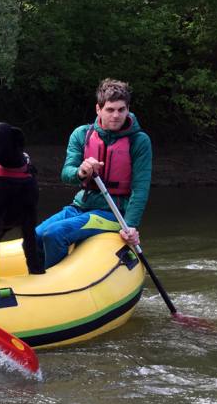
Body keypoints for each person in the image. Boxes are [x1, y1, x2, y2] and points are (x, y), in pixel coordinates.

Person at [35, 79, 152, 269]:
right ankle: (41, 279)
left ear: (128, 109)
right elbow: (67, 174)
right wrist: (81, 172)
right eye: (110, 110)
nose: (116, 115)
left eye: (121, 110)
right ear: (98, 109)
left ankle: (58, 281)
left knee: (55, 233)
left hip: (114, 213)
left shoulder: (139, 141)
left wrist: (130, 225)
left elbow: (140, 189)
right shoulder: (82, 134)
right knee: (36, 236)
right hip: (80, 205)